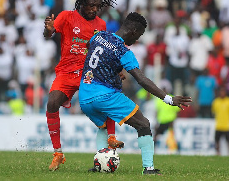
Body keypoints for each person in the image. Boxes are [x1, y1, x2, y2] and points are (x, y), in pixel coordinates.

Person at [79, 12, 192, 175]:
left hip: (84, 95)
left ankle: (101, 165)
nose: (137, 40)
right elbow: (142, 80)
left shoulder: (100, 36)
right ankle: (149, 168)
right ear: (132, 31)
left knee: (103, 125)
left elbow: (91, 51)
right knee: (144, 124)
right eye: (139, 34)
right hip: (105, 95)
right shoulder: (123, 51)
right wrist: (168, 98)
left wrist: (114, 70)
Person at [43, 0, 122, 171]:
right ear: (82, 3)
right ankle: (58, 153)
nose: (94, 9)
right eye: (91, 5)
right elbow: (49, 33)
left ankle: (111, 137)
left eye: (97, 6)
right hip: (66, 72)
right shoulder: (66, 17)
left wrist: (114, 69)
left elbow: (103, 51)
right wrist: (47, 30)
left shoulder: (101, 25)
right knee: (52, 103)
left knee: (108, 94)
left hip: (89, 73)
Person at [211, 86, 229, 156]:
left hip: (226, 126)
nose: (222, 93)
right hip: (218, 125)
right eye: (221, 91)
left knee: (228, 142)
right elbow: (214, 112)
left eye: (223, 91)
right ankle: (218, 154)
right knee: (217, 141)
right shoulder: (216, 102)